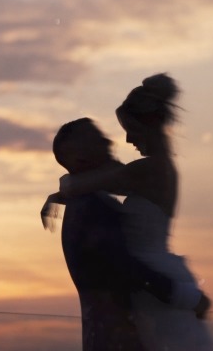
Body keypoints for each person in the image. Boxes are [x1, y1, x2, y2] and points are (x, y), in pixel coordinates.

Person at [45, 75, 213, 351]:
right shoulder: (153, 170)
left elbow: (78, 183)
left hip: (153, 282)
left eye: (130, 129)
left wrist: (58, 192)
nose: (125, 139)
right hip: (157, 277)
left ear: (147, 124)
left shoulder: (146, 171)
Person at [49, 117, 178, 351]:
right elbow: (124, 267)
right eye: (96, 139)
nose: (108, 141)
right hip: (116, 339)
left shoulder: (88, 203)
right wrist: (181, 294)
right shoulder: (92, 208)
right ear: (80, 158)